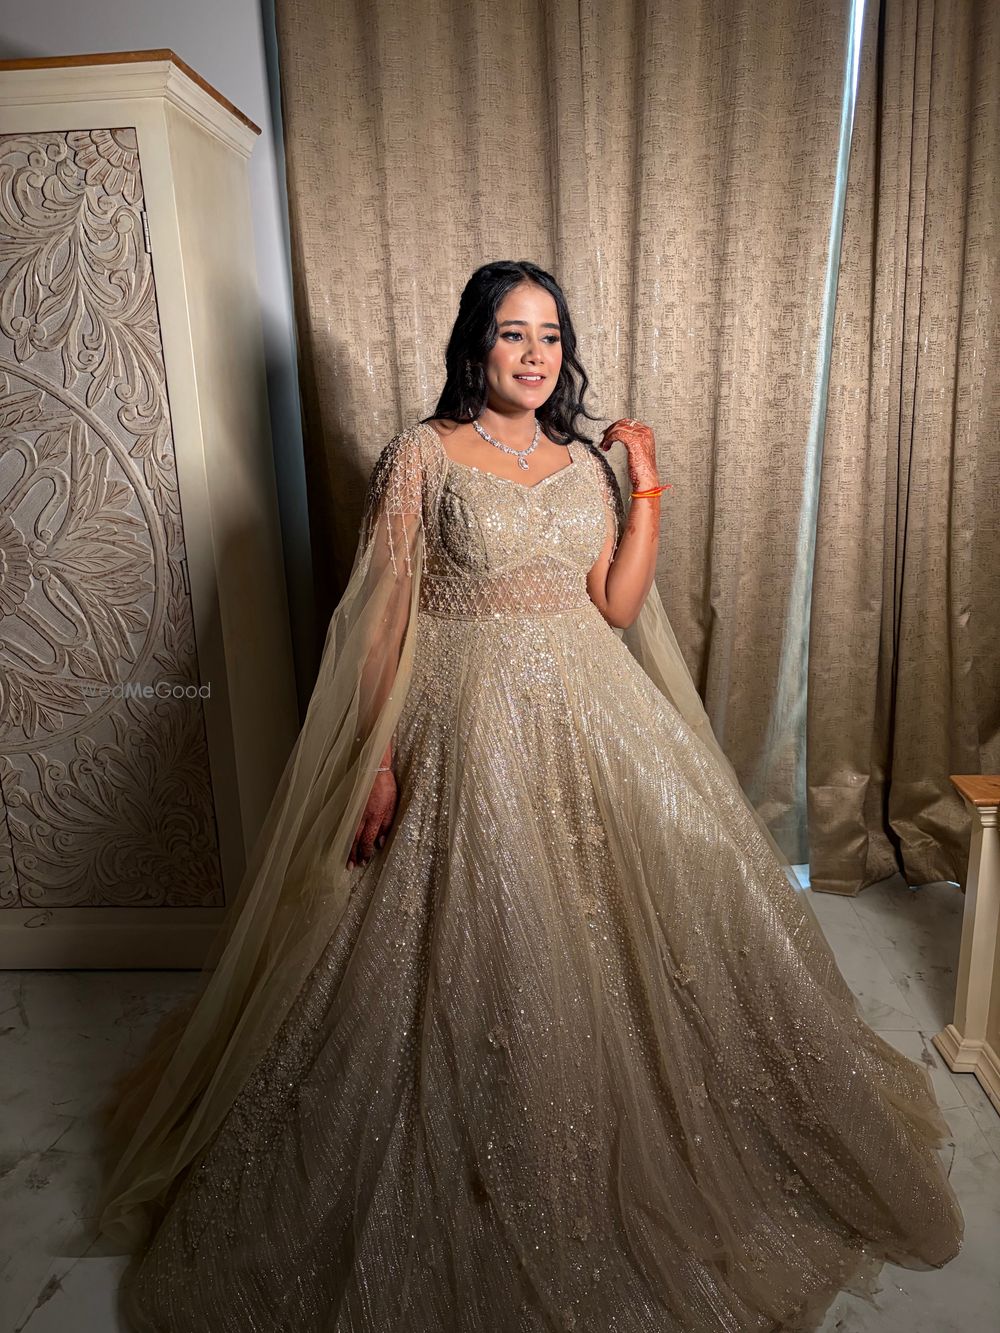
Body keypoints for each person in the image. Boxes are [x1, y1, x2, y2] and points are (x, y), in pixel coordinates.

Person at [97, 260, 963, 1332]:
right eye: (514, 333)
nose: (535, 354)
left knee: (634, 924)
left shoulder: (582, 463)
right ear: (477, 343)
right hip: (463, 718)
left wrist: (645, 484)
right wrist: (376, 758)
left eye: (550, 335)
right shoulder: (421, 455)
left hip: (590, 708)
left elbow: (615, 604)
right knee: (471, 933)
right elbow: (382, 613)